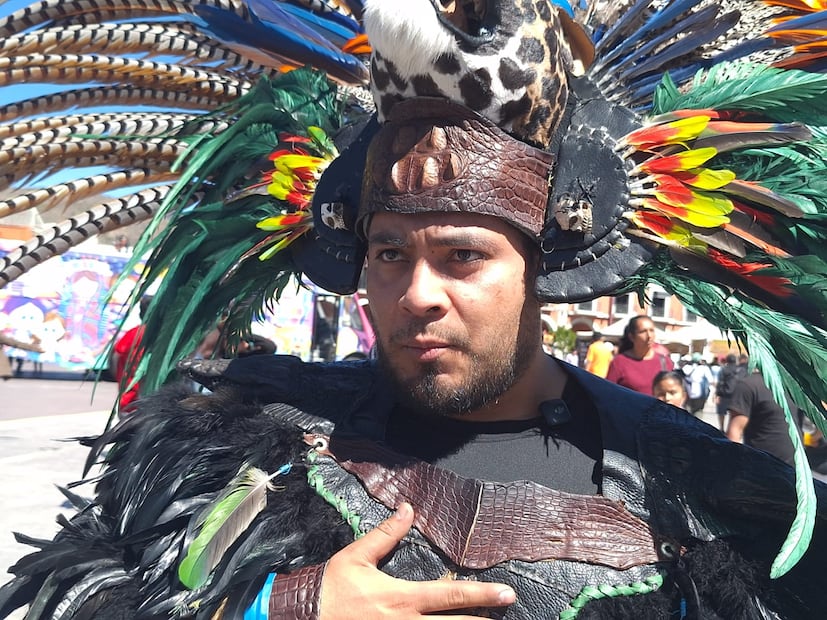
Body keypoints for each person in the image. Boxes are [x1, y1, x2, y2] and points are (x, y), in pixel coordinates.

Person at [4, 2, 827, 620]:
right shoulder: (232, 436)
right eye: (390, 253)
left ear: (544, 268)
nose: (416, 293)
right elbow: (77, 589)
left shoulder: (699, 490)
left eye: (463, 256)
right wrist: (278, 606)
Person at [726, 370, 801, 466]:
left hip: (796, 468)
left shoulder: (791, 386)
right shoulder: (748, 385)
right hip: (761, 467)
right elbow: (735, 430)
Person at [605, 316, 674, 395]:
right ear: (631, 337)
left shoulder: (665, 361)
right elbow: (608, 393)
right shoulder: (619, 362)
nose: (649, 336)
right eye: (643, 332)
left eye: (652, 330)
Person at [111, 295, 152, 413]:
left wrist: (119, 376)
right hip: (144, 400)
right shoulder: (158, 335)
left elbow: (116, 355)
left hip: (129, 401)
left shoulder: (133, 333)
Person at [715, 354, 745, 431]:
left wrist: (717, 394)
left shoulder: (723, 369)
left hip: (724, 394)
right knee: (733, 412)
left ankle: (722, 428)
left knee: (721, 412)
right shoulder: (740, 370)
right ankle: (731, 428)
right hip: (736, 395)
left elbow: (720, 382)